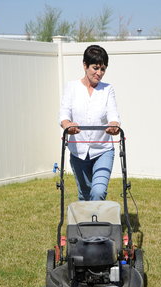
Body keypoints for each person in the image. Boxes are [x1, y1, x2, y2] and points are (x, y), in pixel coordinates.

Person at [59, 45, 120, 201]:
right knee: (85, 195)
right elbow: (64, 114)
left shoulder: (107, 89)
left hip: (102, 150)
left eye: (103, 69)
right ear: (85, 65)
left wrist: (114, 125)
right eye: (95, 68)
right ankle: (87, 223)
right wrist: (68, 125)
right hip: (78, 151)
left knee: (98, 192)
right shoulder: (72, 87)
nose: (99, 73)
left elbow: (113, 114)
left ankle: (97, 224)